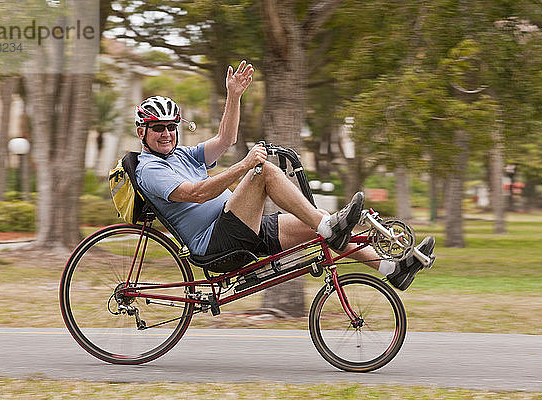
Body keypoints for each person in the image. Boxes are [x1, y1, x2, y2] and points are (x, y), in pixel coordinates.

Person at [135, 60, 434, 291]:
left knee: (319, 220)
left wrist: (234, 95)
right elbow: (196, 194)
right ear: (142, 133)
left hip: (242, 227)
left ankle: (394, 270)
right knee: (263, 172)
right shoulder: (150, 169)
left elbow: (225, 141)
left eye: (171, 127)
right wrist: (243, 166)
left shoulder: (182, 154)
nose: (166, 134)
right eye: (158, 128)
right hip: (218, 244)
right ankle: (330, 227)